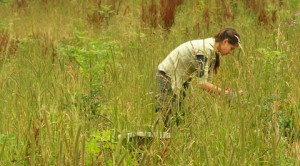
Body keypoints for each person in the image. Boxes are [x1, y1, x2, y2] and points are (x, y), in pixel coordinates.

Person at [155, 28, 242, 130]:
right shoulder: (205, 50)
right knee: (171, 121)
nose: (231, 52)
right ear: (225, 42)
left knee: (179, 119)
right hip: (167, 77)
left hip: (180, 80)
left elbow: (207, 83)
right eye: (231, 48)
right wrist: (224, 93)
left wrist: (224, 92)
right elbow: (201, 84)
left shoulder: (213, 51)